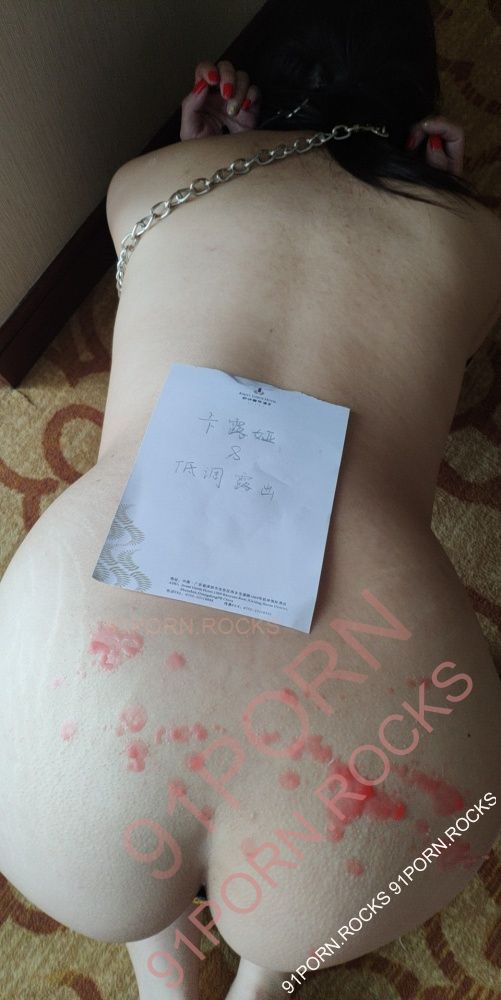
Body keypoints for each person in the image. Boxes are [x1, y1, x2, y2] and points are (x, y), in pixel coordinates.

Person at [1, 2, 501, 999]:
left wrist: (204, 150)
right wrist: (438, 186)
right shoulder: (478, 239)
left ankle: (157, 950)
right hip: (378, 802)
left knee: (116, 845)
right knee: (305, 901)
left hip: (69, 748)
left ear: (250, 89)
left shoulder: (148, 184)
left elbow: (160, 246)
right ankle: (268, 971)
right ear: (423, 122)